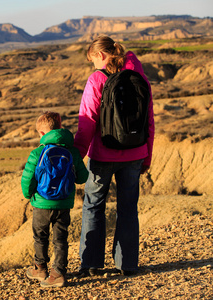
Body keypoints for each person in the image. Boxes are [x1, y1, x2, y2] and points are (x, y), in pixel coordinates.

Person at [74, 35, 155, 276]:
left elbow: (86, 122)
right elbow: (149, 121)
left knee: (93, 206)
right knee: (128, 208)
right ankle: (127, 264)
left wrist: (78, 155)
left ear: (101, 55)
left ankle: (91, 264)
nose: (93, 66)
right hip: (135, 153)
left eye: (92, 60)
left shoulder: (97, 78)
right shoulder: (140, 78)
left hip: (103, 156)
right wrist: (147, 156)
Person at [21, 111, 88, 287]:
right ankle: (58, 273)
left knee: (40, 237)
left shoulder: (37, 153)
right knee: (61, 239)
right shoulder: (72, 152)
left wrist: (29, 195)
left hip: (41, 203)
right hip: (64, 203)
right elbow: (82, 178)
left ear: (42, 134)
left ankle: (40, 268)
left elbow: (27, 178)